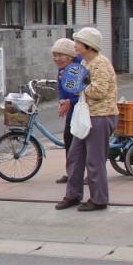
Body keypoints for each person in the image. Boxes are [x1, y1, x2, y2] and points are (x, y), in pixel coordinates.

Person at [56, 27, 118, 212]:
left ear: (88, 45)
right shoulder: (84, 63)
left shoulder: (101, 63)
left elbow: (99, 91)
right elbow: (73, 86)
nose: (74, 45)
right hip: (86, 116)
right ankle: (73, 195)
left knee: (94, 160)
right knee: (75, 157)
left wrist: (80, 86)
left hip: (101, 115)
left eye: (78, 42)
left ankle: (99, 199)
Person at [51, 38, 87, 185]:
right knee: (69, 141)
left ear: (70, 55)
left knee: (83, 144)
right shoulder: (63, 69)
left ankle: (87, 175)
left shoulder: (81, 67)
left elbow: (84, 93)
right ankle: (71, 173)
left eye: (60, 55)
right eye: (54, 55)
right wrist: (62, 100)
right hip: (72, 112)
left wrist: (69, 102)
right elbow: (61, 87)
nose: (56, 59)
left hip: (84, 112)